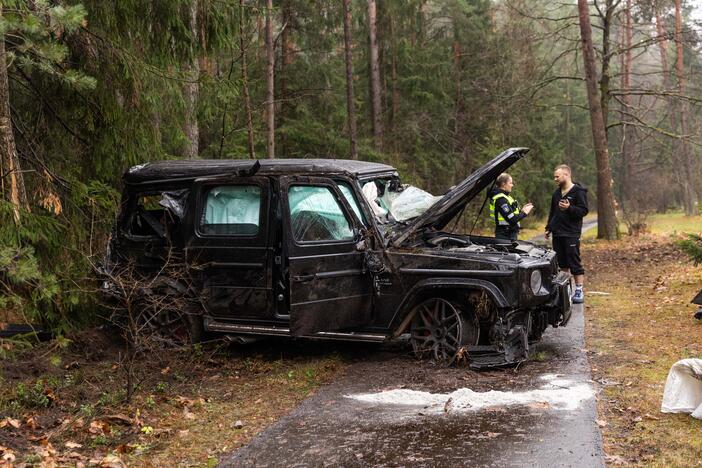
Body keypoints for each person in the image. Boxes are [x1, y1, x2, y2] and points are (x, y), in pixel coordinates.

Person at [545, 164, 588, 304]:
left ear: (567, 175)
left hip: (571, 233)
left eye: (557, 176)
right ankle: (565, 291)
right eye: (554, 177)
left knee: (574, 262)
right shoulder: (556, 194)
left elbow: (583, 211)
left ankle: (579, 290)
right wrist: (549, 228)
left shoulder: (578, 191)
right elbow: (553, 213)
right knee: (561, 263)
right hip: (557, 233)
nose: (555, 179)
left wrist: (570, 208)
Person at [488, 173, 534, 241]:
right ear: (503, 184)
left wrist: (522, 210)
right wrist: (524, 213)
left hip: (508, 233)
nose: (512, 185)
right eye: (510, 183)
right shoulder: (501, 200)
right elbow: (512, 219)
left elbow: (511, 214)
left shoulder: (506, 197)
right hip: (505, 234)